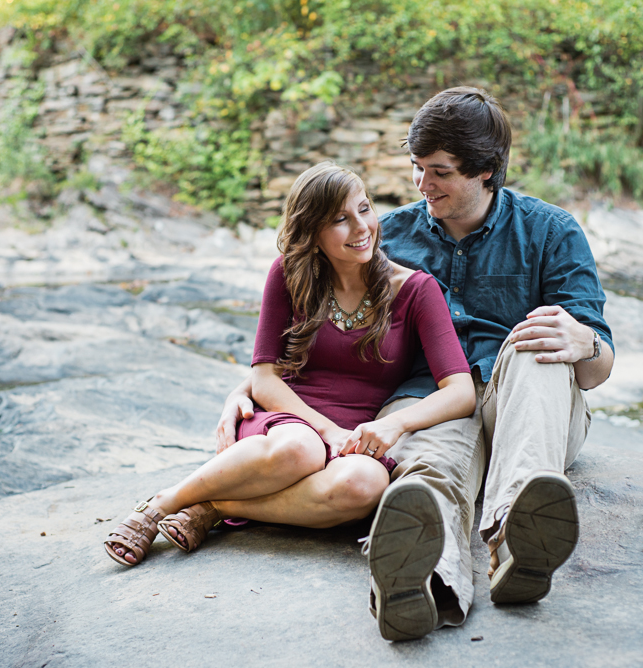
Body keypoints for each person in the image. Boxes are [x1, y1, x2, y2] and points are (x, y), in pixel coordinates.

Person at [216, 86, 615, 640]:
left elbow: (598, 369)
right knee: (427, 475)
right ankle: (420, 584)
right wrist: (252, 384)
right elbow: (312, 323)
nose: (422, 185)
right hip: (432, 400)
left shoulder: (550, 232)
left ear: (486, 173)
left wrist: (585, 342)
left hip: (526, 405)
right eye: (416, 168)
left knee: (537, 344)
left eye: (440, 172)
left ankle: (515, 539)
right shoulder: (388, 236)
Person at [104, 163, 476, 602]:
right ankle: (162, 503)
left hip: (354, 435)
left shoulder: (415, 290)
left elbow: (461, 391)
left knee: (364, 485)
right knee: (299, 450)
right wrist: (323, 430)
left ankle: (213, 507)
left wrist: (393, 426)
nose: (362, 228)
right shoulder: (288, 274)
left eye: (364, 209)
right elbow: (263, 376)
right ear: (312, 231)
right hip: (287, 420)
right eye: (340, 219)